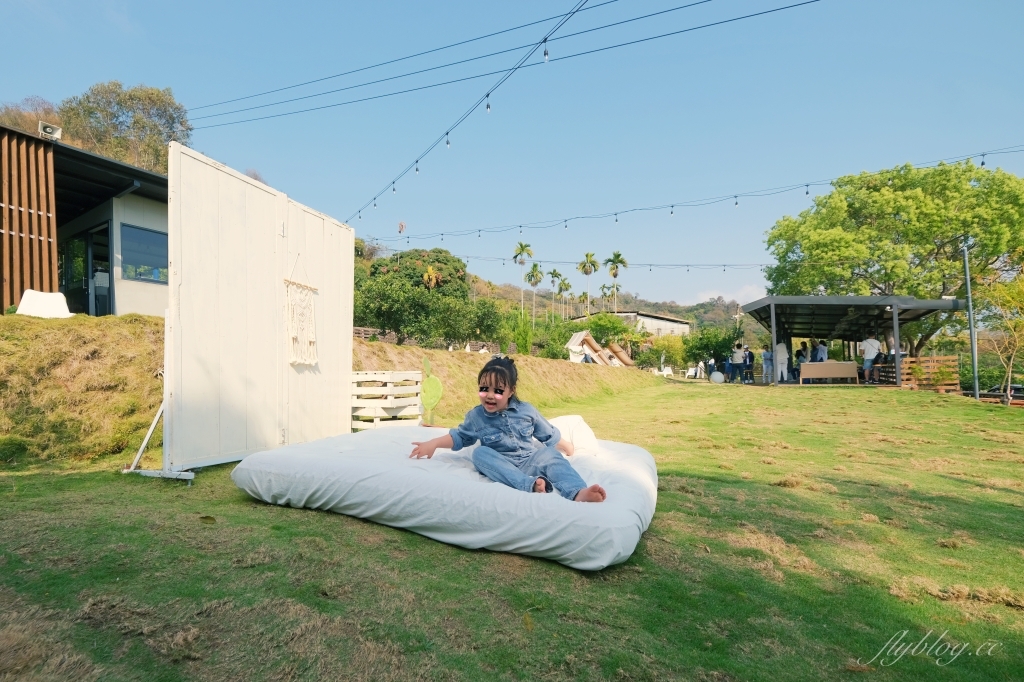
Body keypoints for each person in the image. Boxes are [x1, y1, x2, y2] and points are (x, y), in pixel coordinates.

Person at [410, 356, 606, 502]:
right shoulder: (476, 416)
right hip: (501, 464)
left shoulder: (527, 411)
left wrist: (567, 447)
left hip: (530, 460)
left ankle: (578, 492)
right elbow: (460, 437)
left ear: (511, 391)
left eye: (498, 391)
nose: (489, 395)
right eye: (484, 389)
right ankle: (529, 485)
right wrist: (433, 443)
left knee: (550, 454)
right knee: (479, 453)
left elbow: (548, 434)